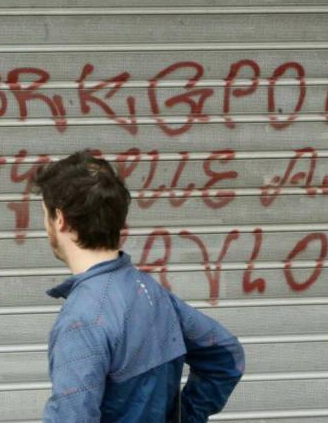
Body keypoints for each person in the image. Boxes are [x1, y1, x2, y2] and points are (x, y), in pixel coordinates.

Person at [35, 150, 245, 423]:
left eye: (45, 215)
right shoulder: (152, 293)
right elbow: (225, 357)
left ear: (60, 219)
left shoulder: (82, 321)